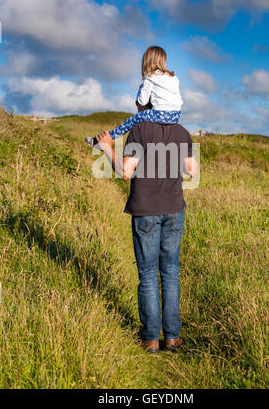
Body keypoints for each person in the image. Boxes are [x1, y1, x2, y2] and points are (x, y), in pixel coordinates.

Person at [95, 100, 197, 354]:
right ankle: (173, 338)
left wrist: (107, 148)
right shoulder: (182, 131)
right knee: (171, 272)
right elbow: (191, 171)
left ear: (144, 104)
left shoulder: (139, 129)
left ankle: (151, 338)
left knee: (149, 274)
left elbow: (125, 171)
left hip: (145, 211)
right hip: (174, 209)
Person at [84, 46, 183, 147]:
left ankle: (105, 139)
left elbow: (142, 101)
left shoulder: (151, 77)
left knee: (131, 121)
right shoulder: (173, 77)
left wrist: (141, 89)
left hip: (160, 114)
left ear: (147, 61)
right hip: (176, 115)